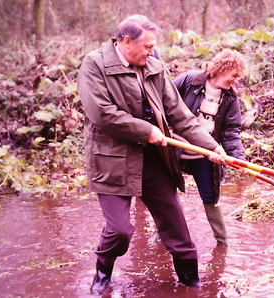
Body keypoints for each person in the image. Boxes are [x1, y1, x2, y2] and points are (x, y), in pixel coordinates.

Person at [77, 14, 226, 293]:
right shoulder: (94, 64)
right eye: (146, 46)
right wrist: (146, 131)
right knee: (120, 230)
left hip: (154, 160)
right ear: (126, 41)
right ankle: (102, 274)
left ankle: (191, 283)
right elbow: (102, 114)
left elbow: (179, 114)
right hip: (112, 160)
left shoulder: (154, 66)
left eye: (153, 47)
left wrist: (211, 146)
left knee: (176, 226)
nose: (151, 52)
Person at [173, 49, 246, 246]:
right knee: (165, 196)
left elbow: (231, 131)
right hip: (174, 148)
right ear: (222, 68)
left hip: (205, 154)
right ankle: (161, 234)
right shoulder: (189, 81)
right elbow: (163, 103)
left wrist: (238, 158)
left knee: (211, 196)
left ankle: (223, 242)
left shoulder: (230, 98)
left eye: (238, 77)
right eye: (234, 75)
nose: (235, 80)